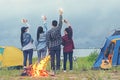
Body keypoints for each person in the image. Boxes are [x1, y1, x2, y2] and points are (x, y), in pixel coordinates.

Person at [46, 9, 63, 74]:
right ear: (56, 24)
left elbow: (47, 40)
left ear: (52, 24)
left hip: (51, 46)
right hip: (58, 45)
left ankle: (53, 68)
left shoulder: (49, 32)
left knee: (52, 58)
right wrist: (60, 14)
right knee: (58, 57)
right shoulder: (58, 29)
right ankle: (58, 68)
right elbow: (60, 23)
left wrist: (48, 48)